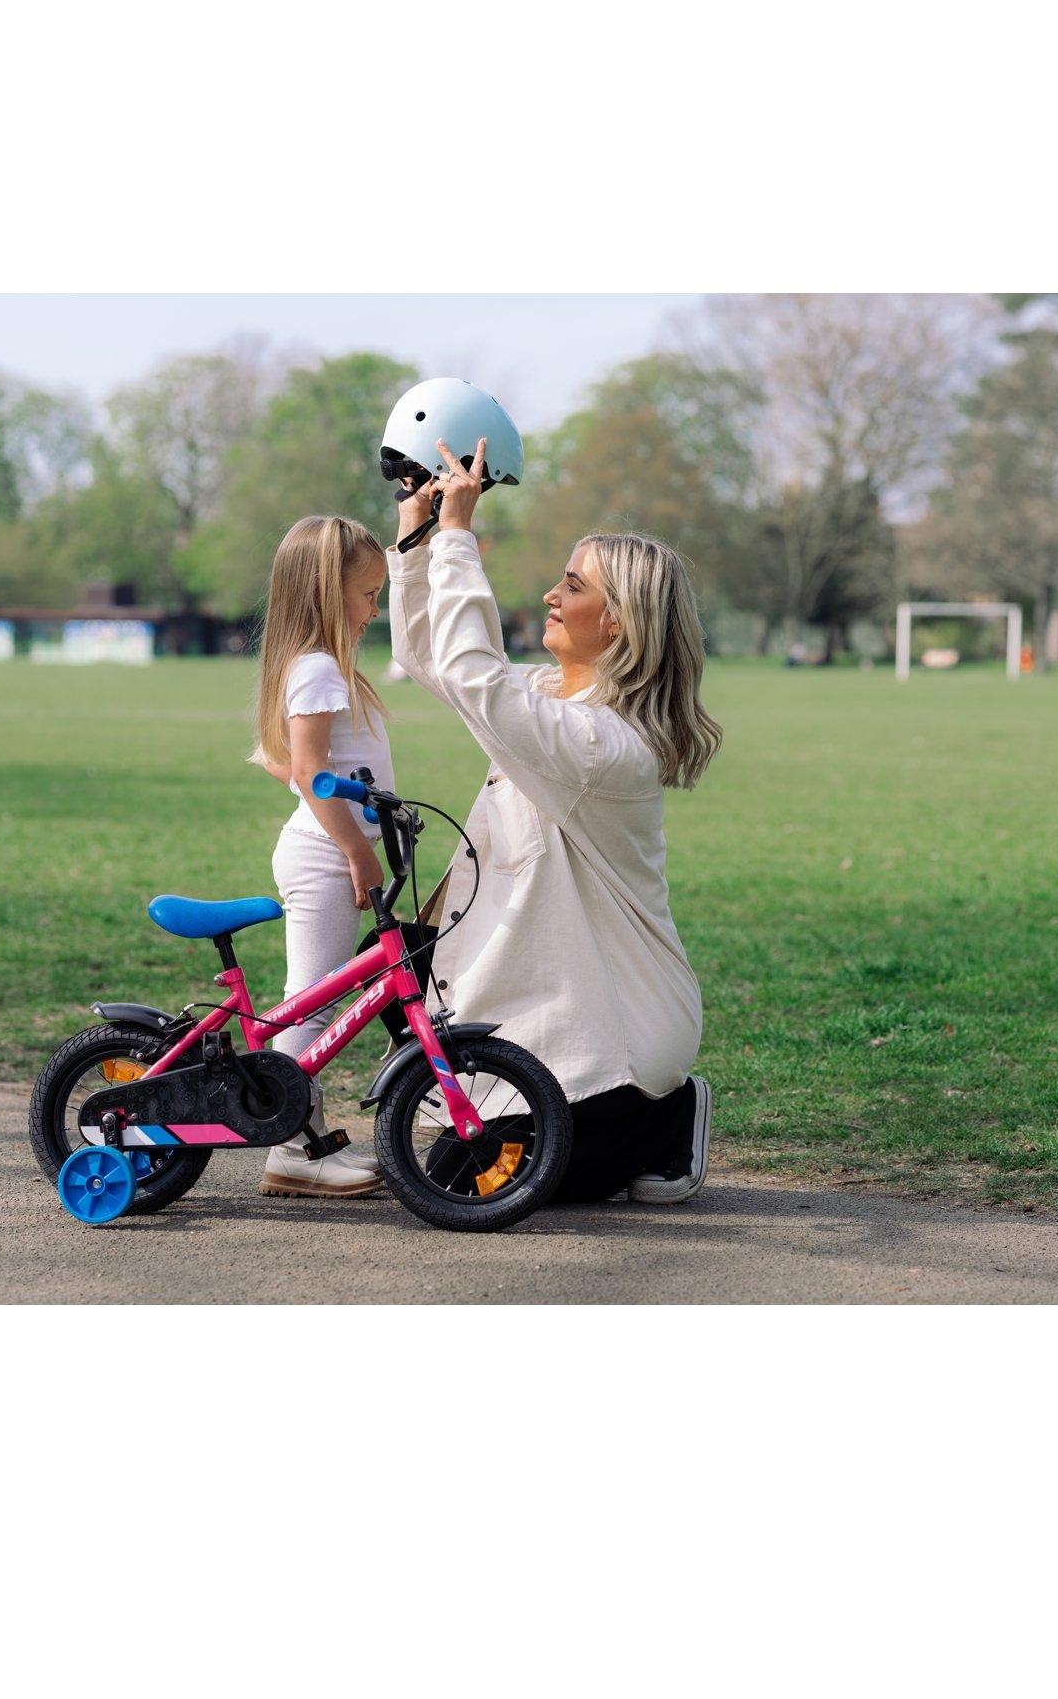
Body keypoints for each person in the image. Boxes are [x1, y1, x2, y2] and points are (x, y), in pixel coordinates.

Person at [389, 438, 722, 1203]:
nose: (551, 595)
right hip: (532, 1016)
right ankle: (603, 1124)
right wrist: (417, 534)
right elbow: (434, 656)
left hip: (614, 1043)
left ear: (620, 624)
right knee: (447, 1164)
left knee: (463, 1188)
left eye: (572, 586)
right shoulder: (550, 703)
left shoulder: (603, 746)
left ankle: (665, 1116)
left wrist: (459, 537)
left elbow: (474, 677)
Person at [248, 515, 392, 1197]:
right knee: (306, 1008)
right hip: (324, 858)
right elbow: (307, 771)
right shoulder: (319, 669)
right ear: (325, 592)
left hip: (325, 851)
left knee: (311, 1005)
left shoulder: (319, 668)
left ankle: (301, 1140)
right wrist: (358, 848)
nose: (374, 608)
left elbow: (284, 762)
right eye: (367, 594)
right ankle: (293, 1152)